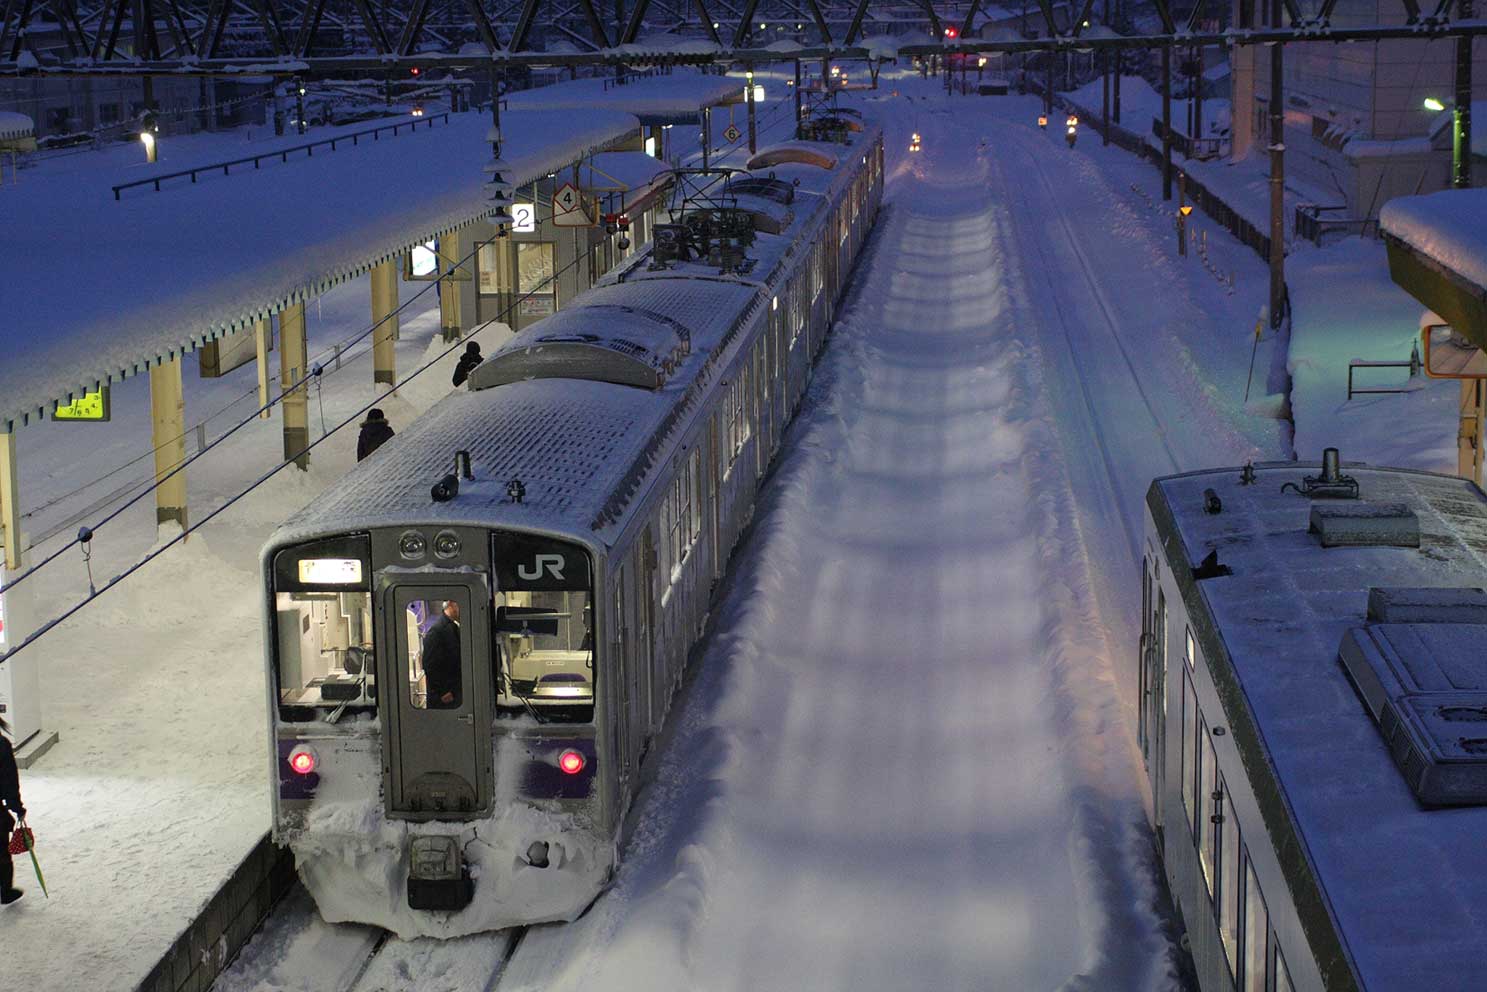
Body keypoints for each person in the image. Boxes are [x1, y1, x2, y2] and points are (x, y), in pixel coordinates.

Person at [0, 717, 26, 905]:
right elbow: (9, 781)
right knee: (1, 853)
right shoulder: (1, 744)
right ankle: (5, 891)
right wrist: (16, 807)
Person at [420, 600, 462, 709]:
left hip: (453, 692)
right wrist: (443, 691)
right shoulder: (437, 631)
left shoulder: (452, 627)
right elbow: (429, 664)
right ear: (452, 604)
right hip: (443, 697)